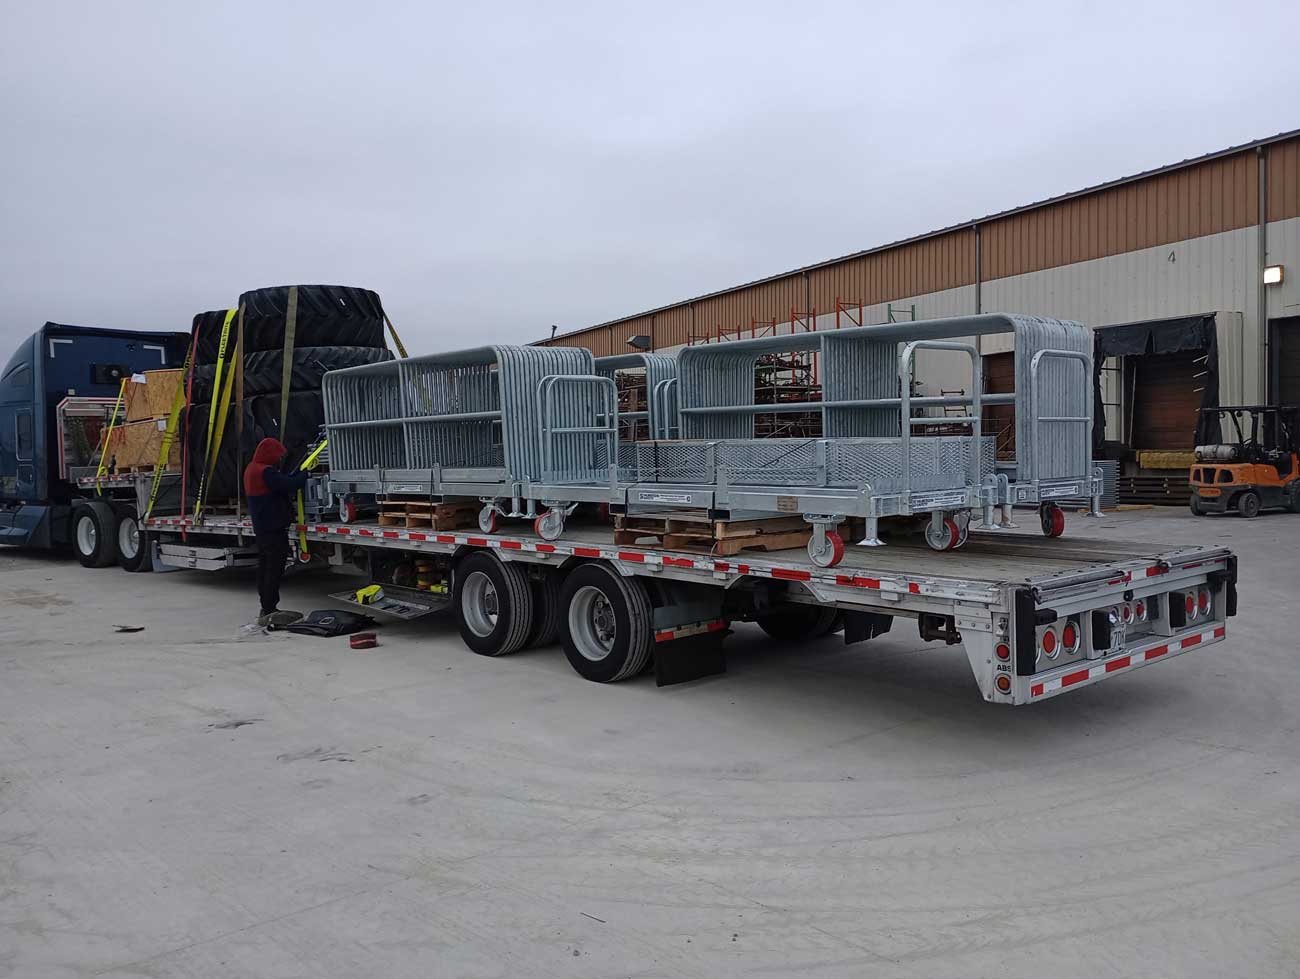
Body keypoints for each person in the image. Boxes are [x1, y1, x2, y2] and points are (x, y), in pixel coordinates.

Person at [243, 437, 310, 627]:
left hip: (263, 527)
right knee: (274, 567)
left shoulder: (251, 469)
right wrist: (305, 475)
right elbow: (288, 485)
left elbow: (280, 483)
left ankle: (266, 605)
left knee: (265, 566)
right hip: (273, 527)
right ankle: (270, 607)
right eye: (277, 456)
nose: (279, 460)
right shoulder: (266, 472)